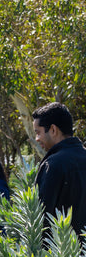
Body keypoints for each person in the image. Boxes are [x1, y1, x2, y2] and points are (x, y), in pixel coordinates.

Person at [32, 102, 86, 238]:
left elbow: (41, 218)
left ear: (53, 130)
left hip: (61, 255)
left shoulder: (53, 164)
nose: (37, 139)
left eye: (38, 132)